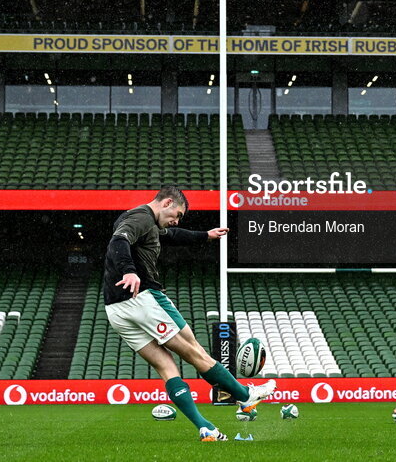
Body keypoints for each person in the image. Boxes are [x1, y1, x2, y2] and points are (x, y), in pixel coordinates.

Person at [103, 185, 276, 441]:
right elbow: (119, 240)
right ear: (167, 202)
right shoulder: (141, 217)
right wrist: (129, 270)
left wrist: (205, 235)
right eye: (178, 213)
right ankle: (244, 396)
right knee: (194, 351)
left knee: (166, 366)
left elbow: (171, 235)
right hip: (142, 297)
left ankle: (206, 428)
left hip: (115, 309)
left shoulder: (147, 223)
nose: (176, 219)